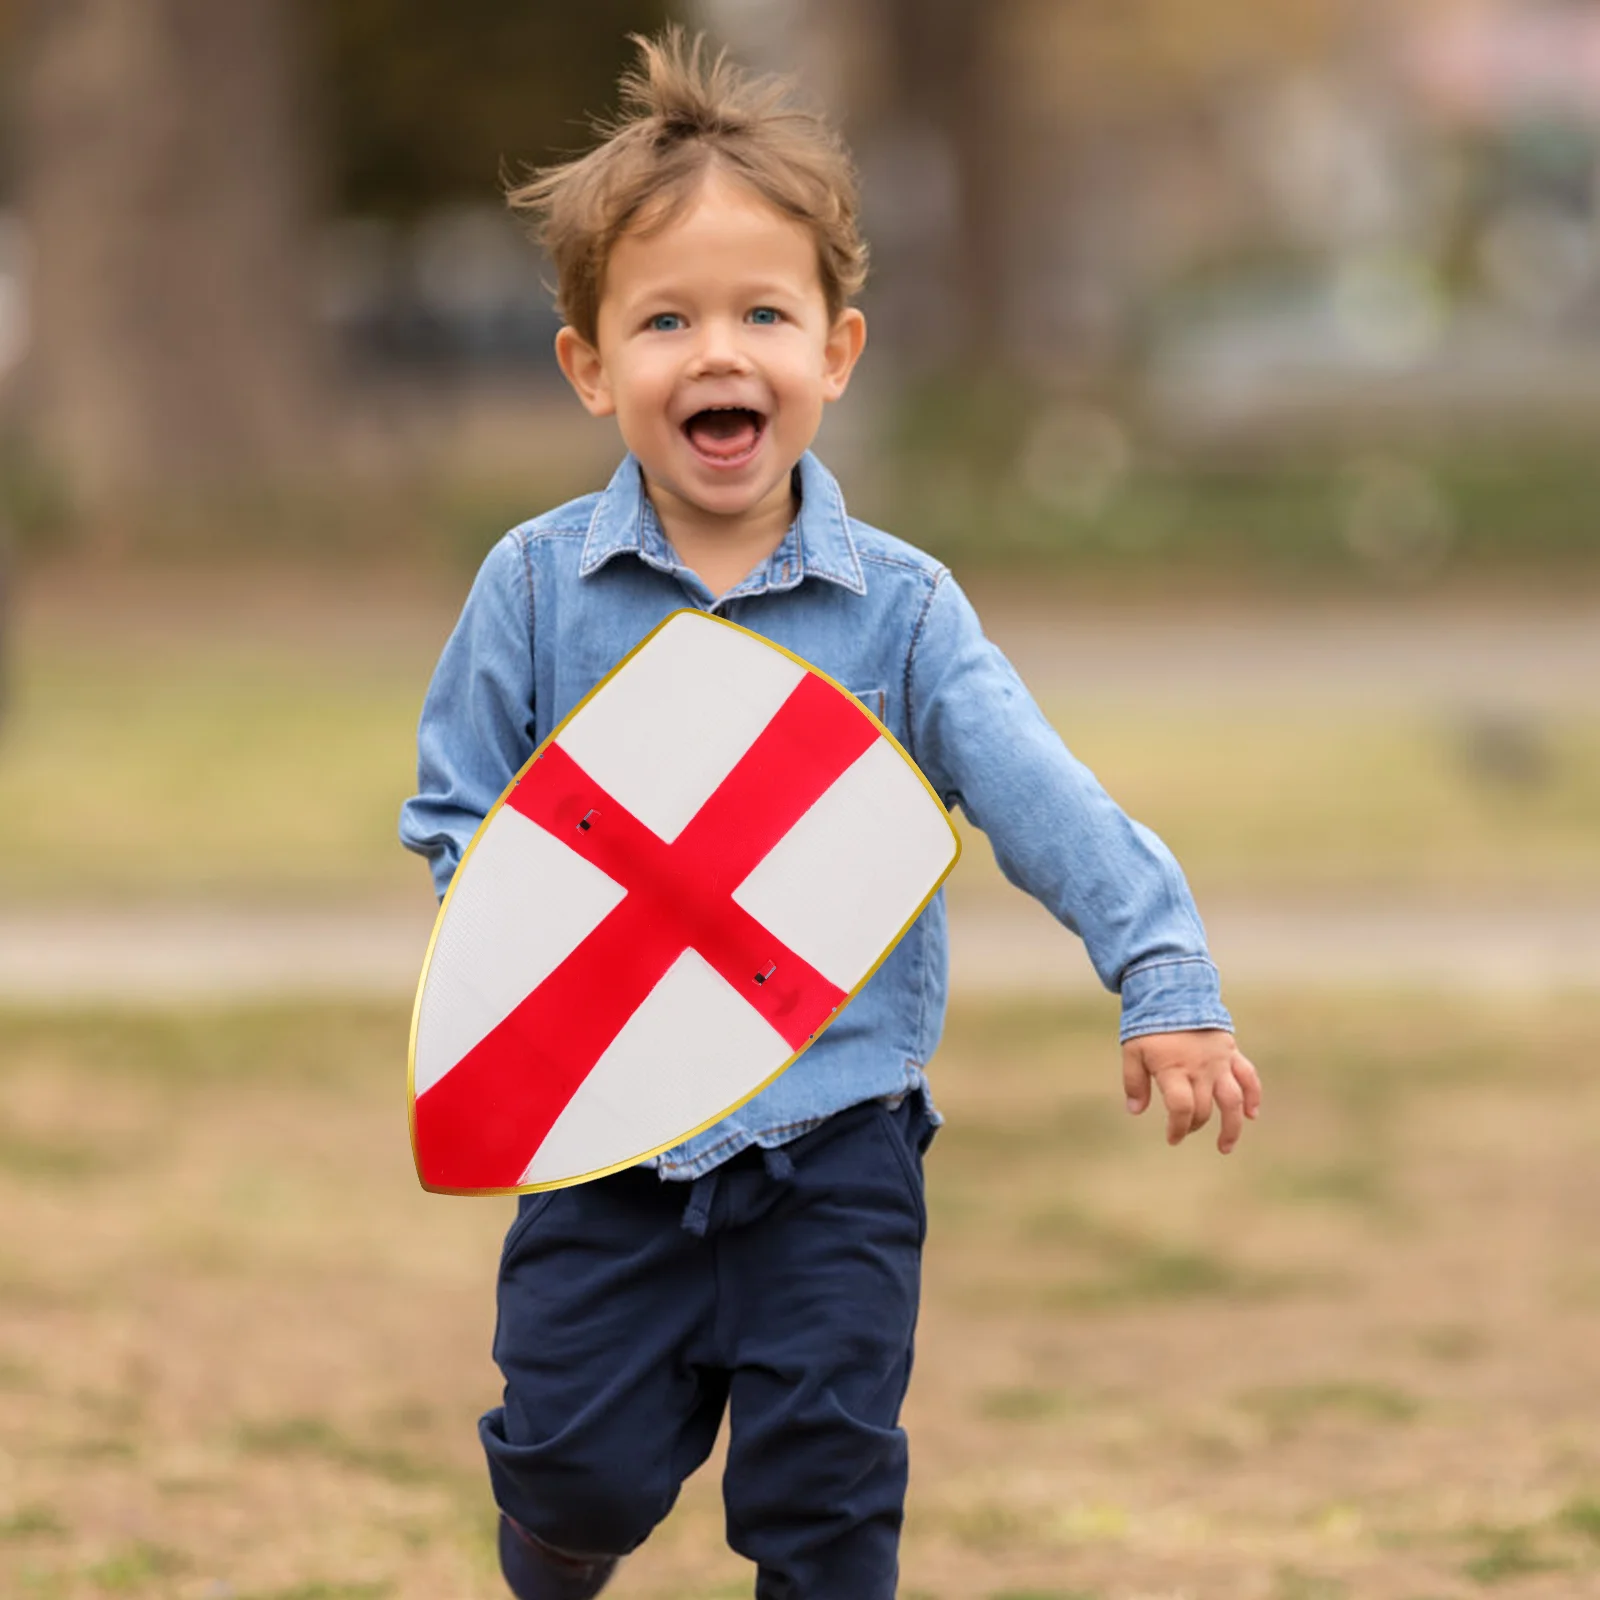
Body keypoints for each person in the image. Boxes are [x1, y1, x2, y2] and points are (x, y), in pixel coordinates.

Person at [399, 27, 1261, 1600]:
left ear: (838, 352)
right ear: (590, 367)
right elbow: (459, 804)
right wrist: (523, 941)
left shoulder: (904, 618)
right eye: (664, 319)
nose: (718, 353)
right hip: (603, 1138)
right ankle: (557, 1536)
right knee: (579, 1463)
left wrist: (1165, 975)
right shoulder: (531, 590)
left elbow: (1039, 799)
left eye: (763, 315)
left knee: (827, 1487)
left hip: (837, 1146)